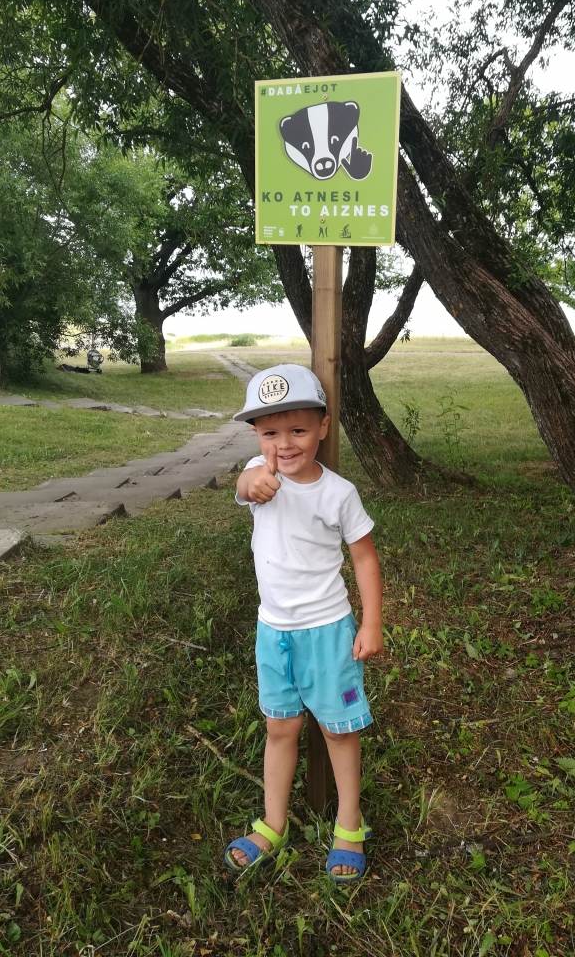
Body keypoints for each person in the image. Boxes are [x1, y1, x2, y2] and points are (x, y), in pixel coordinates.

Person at [224, 364, 383, 882]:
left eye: (297, 430)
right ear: (257, 436)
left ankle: (349, 823)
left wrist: (372, 623)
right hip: (273, 632)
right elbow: (245, 483)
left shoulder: (338, 493)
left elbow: (364, 558)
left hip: (328, 632)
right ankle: (273, 823)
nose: (284, 444)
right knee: (280, 727)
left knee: (338, 731)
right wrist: (253, 480)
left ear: (323, 427)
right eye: (270, 433)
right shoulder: (259, 475)